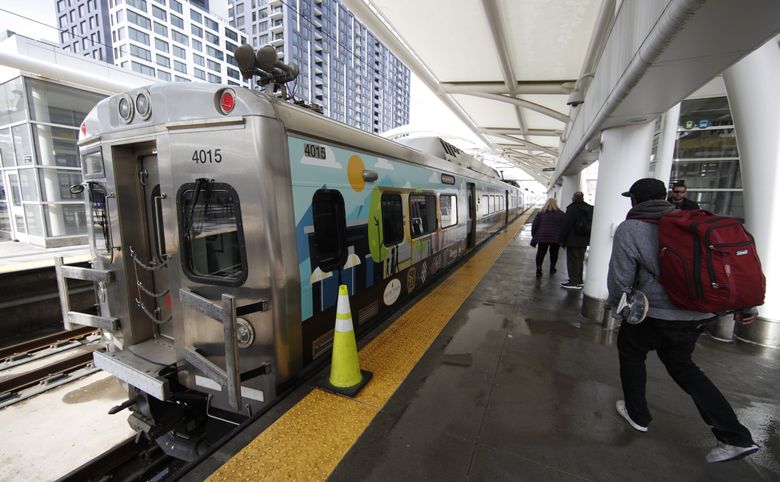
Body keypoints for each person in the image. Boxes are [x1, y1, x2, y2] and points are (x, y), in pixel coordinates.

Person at [607, 177, 759, 464]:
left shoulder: (632, 228)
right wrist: (746, 306)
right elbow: (728, 267)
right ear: (665, 197)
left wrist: (618, 307)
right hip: (698, 315)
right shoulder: (693, 225)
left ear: (634, 201)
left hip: (653, 314)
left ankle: (637, 414)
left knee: (631, 355)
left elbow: (620, 279)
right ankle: (735, 436)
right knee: (684, 368)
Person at [558, 191, 593, 289]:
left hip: (573, 239)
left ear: (573, 198)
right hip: (584, 240)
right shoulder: (590, 208)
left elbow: (566, 225)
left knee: (572, 260)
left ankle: (573, 282)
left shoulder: (572, 208)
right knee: (580, 260)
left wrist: (561, 239)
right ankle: (579, 281)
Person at [530, 198, 564, 278]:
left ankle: (539, 270)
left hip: (542, 236)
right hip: (555, 237)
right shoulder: (561, 214)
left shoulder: (541, 213)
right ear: (556, 204)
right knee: (554, 253)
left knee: (541, 253)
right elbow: (564, 226)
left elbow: (534, 225)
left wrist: (534, 235)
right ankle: (552, 268)